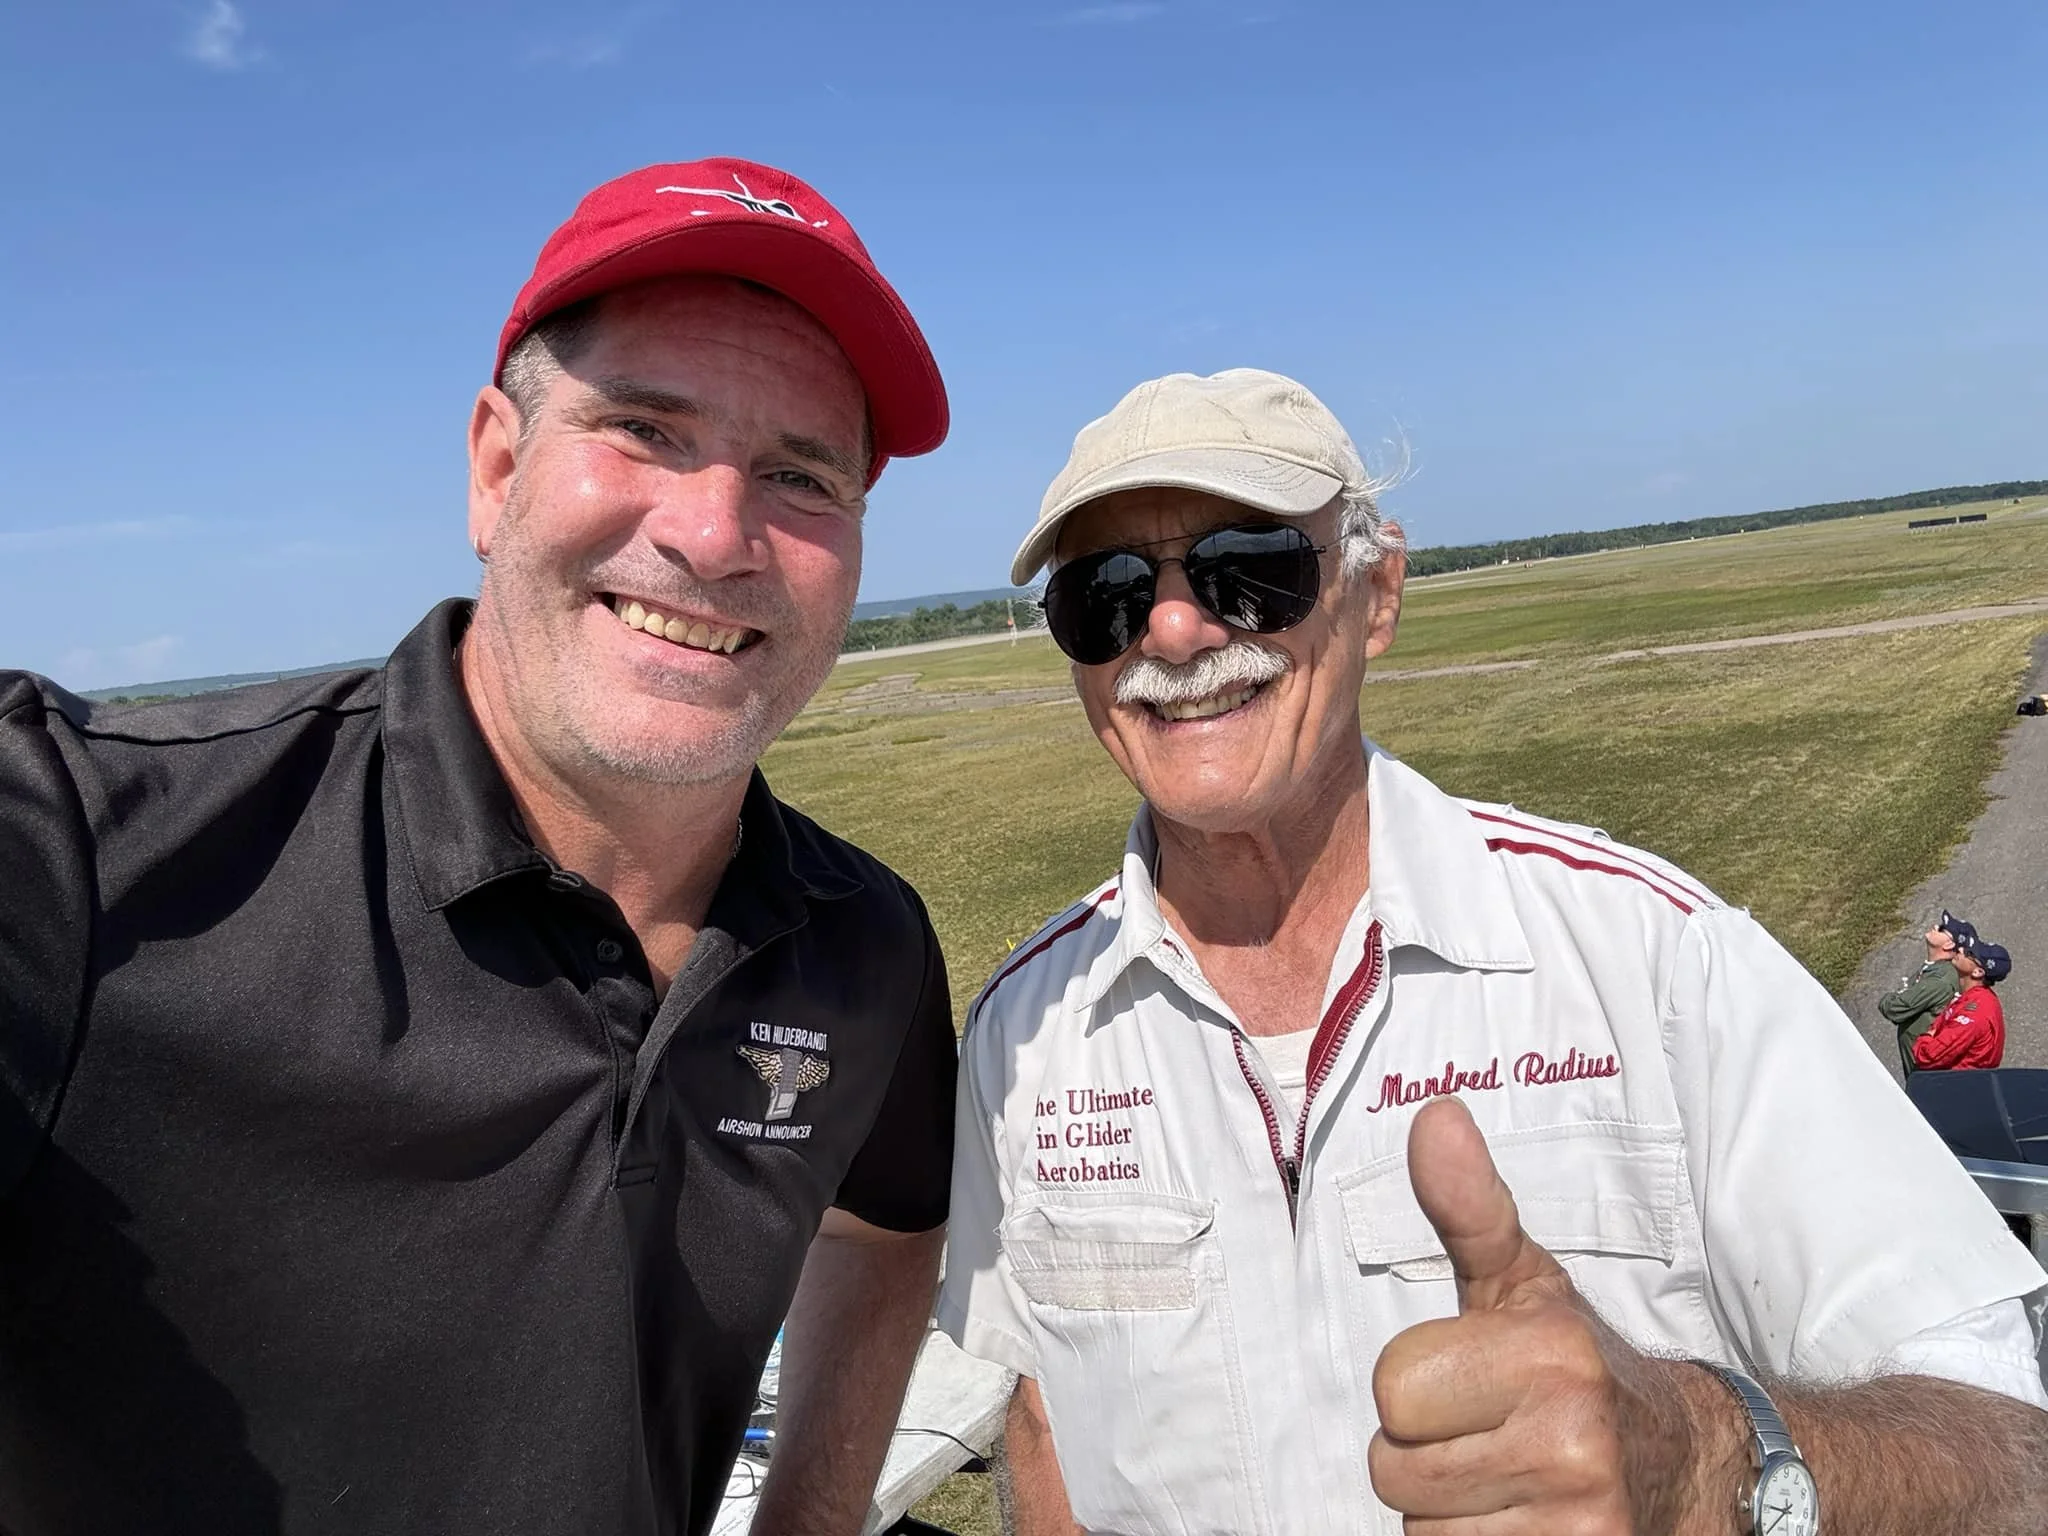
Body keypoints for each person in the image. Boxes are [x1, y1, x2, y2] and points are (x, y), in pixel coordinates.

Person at [0, 158, 958, 1536]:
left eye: (799, 475)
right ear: (497, 468)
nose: (713, 536)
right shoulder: (93, 852)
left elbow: (884, 1229)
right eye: (643, 429)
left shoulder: (863, 945)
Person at [940, 368, 2048, 1536]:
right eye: (1106, 593)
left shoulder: (1653, 962)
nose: (1172, 629)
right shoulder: (1023, 1031)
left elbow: (2012, 1454)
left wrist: (1704, 1455)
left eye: (1247, 567)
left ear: (1375, 594)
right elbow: (1044, 1414)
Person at [1880, 910, 1974, 1073]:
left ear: (1948, 945)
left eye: (1942, 929)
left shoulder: (1939, 981)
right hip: (1918, 1062)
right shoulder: (1933, 968)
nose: (1936, 926)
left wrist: (1886, 999)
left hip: (1925, 1068)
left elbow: (1895, 1009)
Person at [1913, 941, 2011, 1071]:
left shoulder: (1974, 1014)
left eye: (1969, 953)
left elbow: (1927, 1056)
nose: (1960, 949)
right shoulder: (1974, 996)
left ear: (1978, 972)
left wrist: (1926, 1038)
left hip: (1956, 1081)